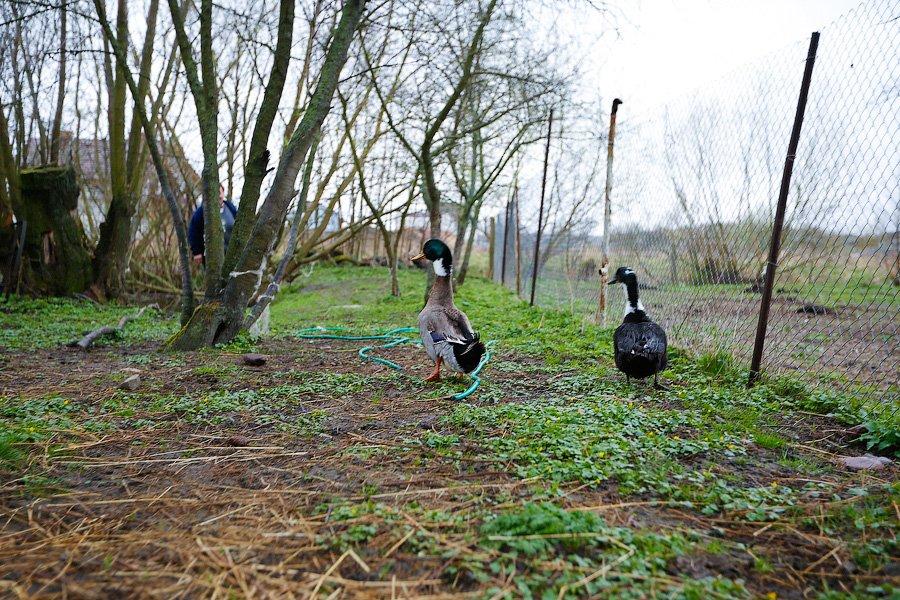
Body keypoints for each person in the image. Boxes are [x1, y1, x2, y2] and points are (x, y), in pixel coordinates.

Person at [188, 185, 238, 265]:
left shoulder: (230, 207)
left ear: (223, 193)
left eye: (219, 193)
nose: (218, 196)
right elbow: (193, 231)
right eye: (215, 193)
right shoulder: (202, 211)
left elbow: (238, 226)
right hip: (210, 256)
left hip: (231, 253)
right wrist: (196, 251)